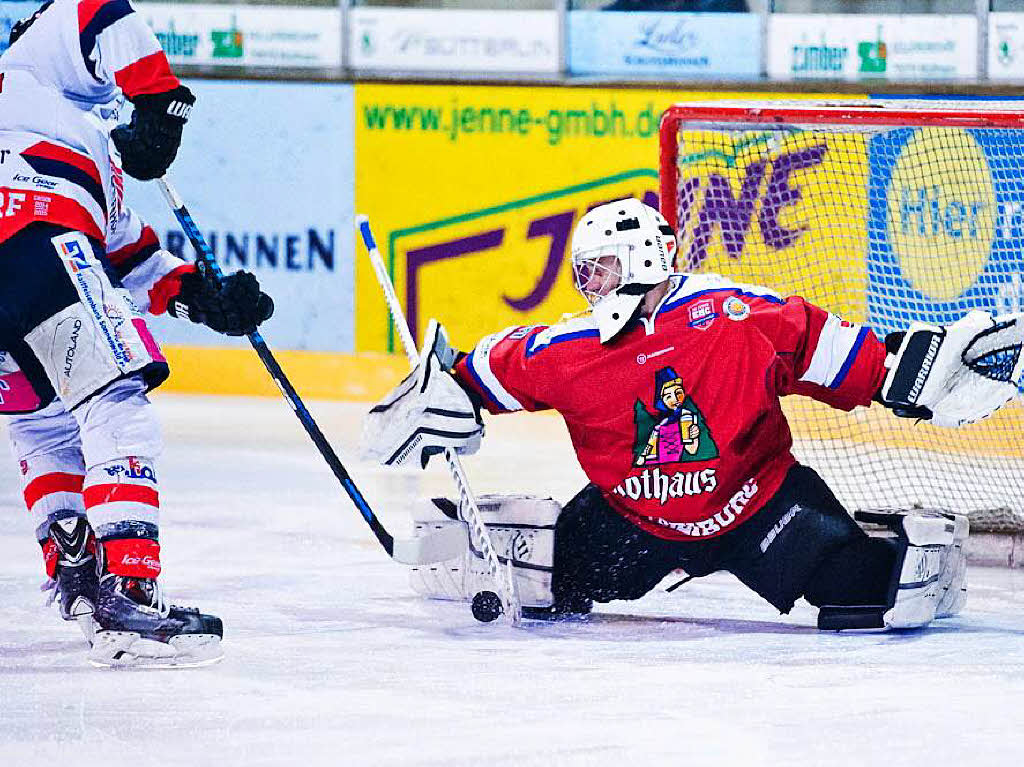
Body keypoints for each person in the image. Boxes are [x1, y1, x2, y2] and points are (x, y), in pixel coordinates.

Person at [364, 197, 1024, 630]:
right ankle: (490, 538)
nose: (587, 287)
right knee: (546, 586)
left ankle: (923, 548)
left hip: (761, 505)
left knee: (867, 596)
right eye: (583, 273)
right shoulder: (566, 351)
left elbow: (864, 363)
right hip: (635, 519)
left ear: (638, 261)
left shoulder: (740, 315)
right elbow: (471, 377)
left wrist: (928, 372)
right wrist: (436, 396)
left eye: (597, 270)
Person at [0, 0, 272, 665]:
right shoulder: (27, 63)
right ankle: (130, 587)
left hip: (39, 250)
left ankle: (82, 581)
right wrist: (160, 106)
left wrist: (209, 299)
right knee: (116, 403)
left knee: (43, 422)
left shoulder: (88, 149)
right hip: (34, 236)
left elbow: (134, 262)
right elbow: (96, 11)